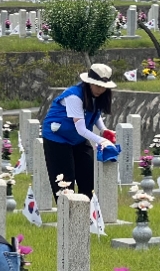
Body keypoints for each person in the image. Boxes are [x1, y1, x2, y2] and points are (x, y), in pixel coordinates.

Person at [41, 63, 117, 200]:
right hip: (58, 138)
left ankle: (87, 211)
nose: (100, 90)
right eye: (97, 85)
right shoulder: (74, 96)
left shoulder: (97, 96)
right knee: (65, 180)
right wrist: (102, 140)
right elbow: (81, 128)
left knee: (88, 177)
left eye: (103, 87)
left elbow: (95, 112)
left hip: (78, 139)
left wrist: (103, 129)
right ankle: (67, 212)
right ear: (89, 83)